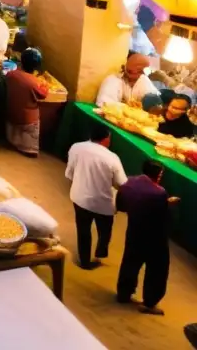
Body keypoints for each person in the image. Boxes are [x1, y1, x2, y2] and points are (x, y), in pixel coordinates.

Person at [116, 159, 176, 315]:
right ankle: (149, 303)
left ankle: (124, 293)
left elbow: (121, 205)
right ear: (158, 174)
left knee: (130, 262)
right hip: (155, 237)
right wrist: (168, 203)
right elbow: (163, 215)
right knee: (157, 270)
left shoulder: (128, 183)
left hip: (134, 230)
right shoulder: (159, 192)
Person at [66, 123, 127, 270]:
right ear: (106, 139)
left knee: (83, 230)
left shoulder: (76, 147)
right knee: (105, 230)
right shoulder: (112, 158)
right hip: (103, 203)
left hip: (79, 197)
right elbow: (122, 183)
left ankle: (85, 260)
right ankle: (101, 251)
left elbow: (69, 173)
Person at [5, 47, 48, 157]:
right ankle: (29, 150)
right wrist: (44, 83)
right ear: (36, 66)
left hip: (11, 113)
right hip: (27, 120)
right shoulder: (35, 82)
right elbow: (43, 94)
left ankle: (12, 142)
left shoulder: (11, 75)